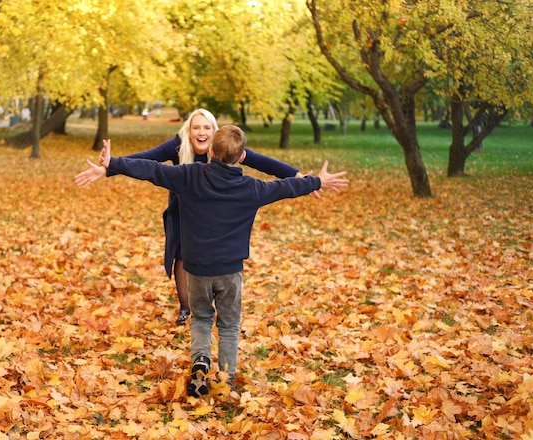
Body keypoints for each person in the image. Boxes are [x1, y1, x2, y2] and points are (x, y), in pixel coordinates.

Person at [75, 125, 349, 397]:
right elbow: (286, 187)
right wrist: (317, 181)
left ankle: (200, 361)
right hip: (230, 271)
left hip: (196, 269)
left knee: (202, 318)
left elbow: (153, 170)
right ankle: (225, 378)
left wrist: (114, 163)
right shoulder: (252, 188)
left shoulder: (189, 176)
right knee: (228, 324)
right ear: (242, 158)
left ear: (211, 152)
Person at [74, 108, 318, 326]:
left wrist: (298, 176)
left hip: (216, 214)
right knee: (181, 253)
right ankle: (185, 307)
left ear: (215, 132)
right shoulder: (178, 146)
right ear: (188, 131)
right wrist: (109, 168)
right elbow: (148, 161)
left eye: (207, 127)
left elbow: (263, 163)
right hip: (183, 208)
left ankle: (211, 300)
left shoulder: (225, 147)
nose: (201, 132)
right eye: (196, 127)